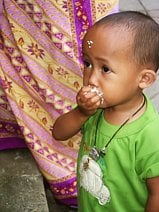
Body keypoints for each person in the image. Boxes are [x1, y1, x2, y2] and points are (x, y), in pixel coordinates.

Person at [52, 11, 159, 211]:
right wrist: (81, 113)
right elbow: (58, 133)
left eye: (105, 69)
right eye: (87, 63)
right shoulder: (95, 110)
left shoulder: (151, 134)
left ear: (144, 79)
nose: (91, 78)